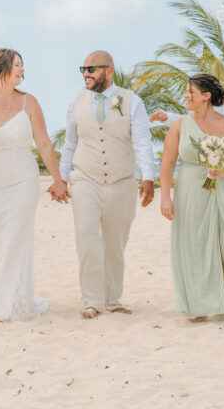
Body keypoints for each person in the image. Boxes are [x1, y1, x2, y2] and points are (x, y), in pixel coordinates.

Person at [0, 48, 67, 321]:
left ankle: (1, 304)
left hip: (21, 182)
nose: (22, 69)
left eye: (22, 65)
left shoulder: (28, 102)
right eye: (17, 65)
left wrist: (57, 179)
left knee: (11, 244)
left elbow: (43, 142)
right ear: (3, 68)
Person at [56, 51, 156, 319]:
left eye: (92, 69)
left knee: (115, 243)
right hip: (85, 178)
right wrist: (61, 178)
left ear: (108, 71)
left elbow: (143, 142)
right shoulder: (75, 103)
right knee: (87, 239)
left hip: (122, 180)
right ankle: (92, 300)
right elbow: (70, 144)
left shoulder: (131, 101)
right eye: (83, 69)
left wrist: (148, 177)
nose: (86, 74)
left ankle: (113, 299)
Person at [158, 74, 224, 322]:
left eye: (190, 92)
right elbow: (168, 162)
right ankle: (195, 302)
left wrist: (223, 171)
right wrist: (165, 197)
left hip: (223, 189)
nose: (185, 96)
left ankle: (222, 299)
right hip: (190, 190)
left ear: (206, 96)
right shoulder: (180, 125)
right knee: (193, 245)